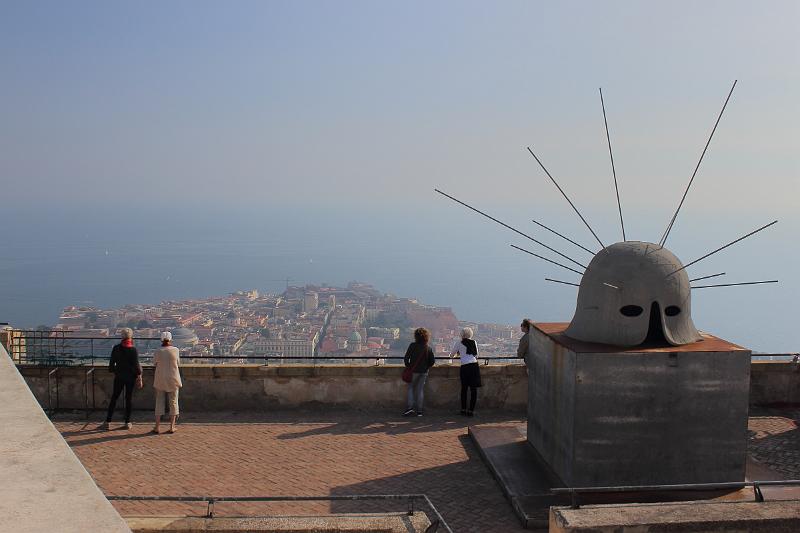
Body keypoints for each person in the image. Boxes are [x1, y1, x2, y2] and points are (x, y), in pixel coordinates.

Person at [101, 328, 142, 430]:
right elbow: (137, 367)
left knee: (114, 398)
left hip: (119, 377)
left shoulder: (116, 348)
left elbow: (111, 367)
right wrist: (139, 375)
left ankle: (108, 421)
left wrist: (117, 370)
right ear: (130, 337)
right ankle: (127, 422)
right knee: (128, 399)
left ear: (121, 336)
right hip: (130, 378)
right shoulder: (133, 350)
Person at [151, 331, 182, 434]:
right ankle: (172, 426)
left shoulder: (158, 351)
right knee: (173, 402)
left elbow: (154, 363)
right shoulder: (175, 350)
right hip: (173, 378)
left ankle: (157, 427)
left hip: (160, 378)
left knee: (159, 402)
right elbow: (178, 363)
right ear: (170, 339)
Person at [403, 327, 435, 417]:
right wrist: (426, 367)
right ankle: (419, 411)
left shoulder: (412, 345)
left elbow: (406, 358)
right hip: (424, 372)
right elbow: (432, 361)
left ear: (416, 336)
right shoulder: (428, 348)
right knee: (420, 390)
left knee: (410, 388)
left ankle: (410, 408)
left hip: (414, 371)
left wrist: (409, 366)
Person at [451, 327, 481, 416]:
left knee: (464, 388)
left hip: (465, 366)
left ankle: (463, 409)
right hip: (474, 366)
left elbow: (451, 355)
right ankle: (471, 410)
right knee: (473, 389)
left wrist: (459, 353)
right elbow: (476, 355)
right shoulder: (474, 342)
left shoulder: (459, 343)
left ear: (462, 334)